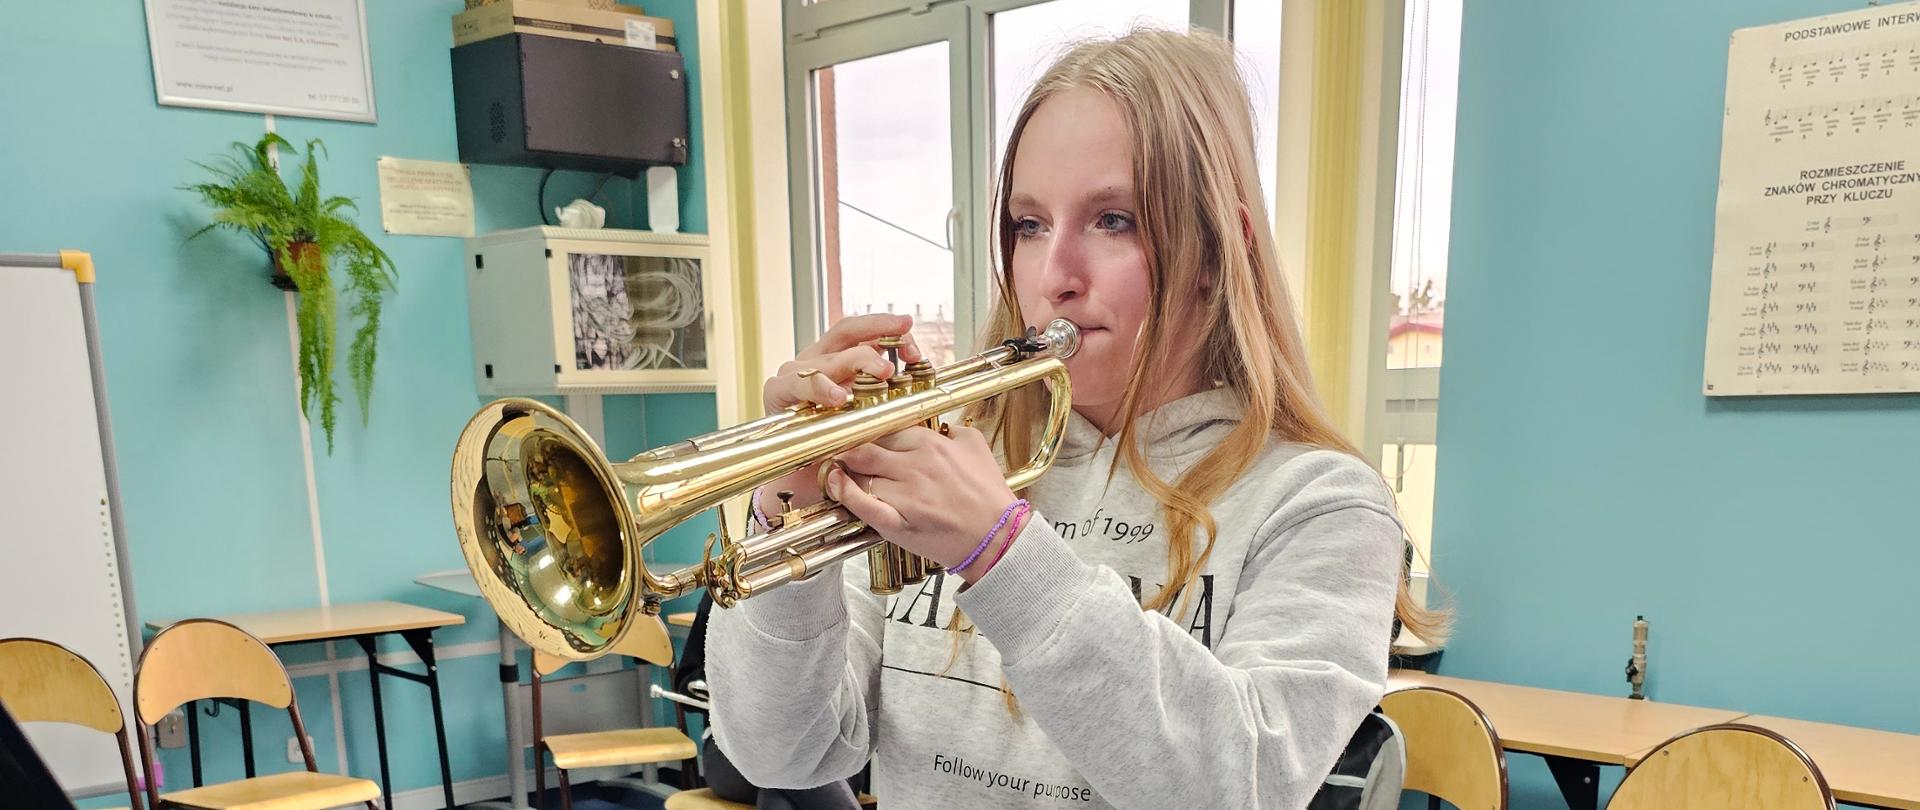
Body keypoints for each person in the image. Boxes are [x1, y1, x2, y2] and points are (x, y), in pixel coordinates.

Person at [706, 27, 1446, 810]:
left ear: (1213, 254)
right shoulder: (952, 463)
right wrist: (786, 513)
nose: (1055, 275)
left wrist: (1000, 551)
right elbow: (782, 754)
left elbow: (1243, 786)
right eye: (1029, 225)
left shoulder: (1322, 505)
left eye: (1113, 220)